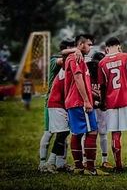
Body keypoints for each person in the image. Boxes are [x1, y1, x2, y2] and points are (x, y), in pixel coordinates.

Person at [98, 37, 127, 172]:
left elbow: (102, 85)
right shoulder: (126, 57)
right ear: (119, 46)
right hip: (126, 99)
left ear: (107, 48)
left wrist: (102, 101)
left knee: (115, 134)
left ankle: (118, 166)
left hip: (111, 102)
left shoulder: (102, 62)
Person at [65, 34, 108, 175]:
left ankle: (78, 167)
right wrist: (86, 100)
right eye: (89, 44)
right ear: (81, 44)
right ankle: (90, 169)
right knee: (92, 132)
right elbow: (78, 79)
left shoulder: (76, 57)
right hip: (79, 102)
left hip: (73, 101)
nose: (90, 47)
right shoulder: (75, 58)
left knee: (76, 133)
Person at [38, 39, 81, 172]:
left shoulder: (70, 64)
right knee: (49, 133)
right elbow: (63, 58)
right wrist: (77, 51)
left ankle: (60, 163)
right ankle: (43, 163)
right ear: (68, 48)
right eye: (73, 47)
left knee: (63, 133)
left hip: (64, 101)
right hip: (52, 101)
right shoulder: (56, 60)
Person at [86, 51, 113, 170]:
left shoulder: (105, 75)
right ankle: (85, 160)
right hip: (91, 107)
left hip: (102, 108)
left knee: (103, 133)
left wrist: (104, 102)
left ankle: (104, 160)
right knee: (88, 134)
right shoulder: (87, 74)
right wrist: (95, 101)